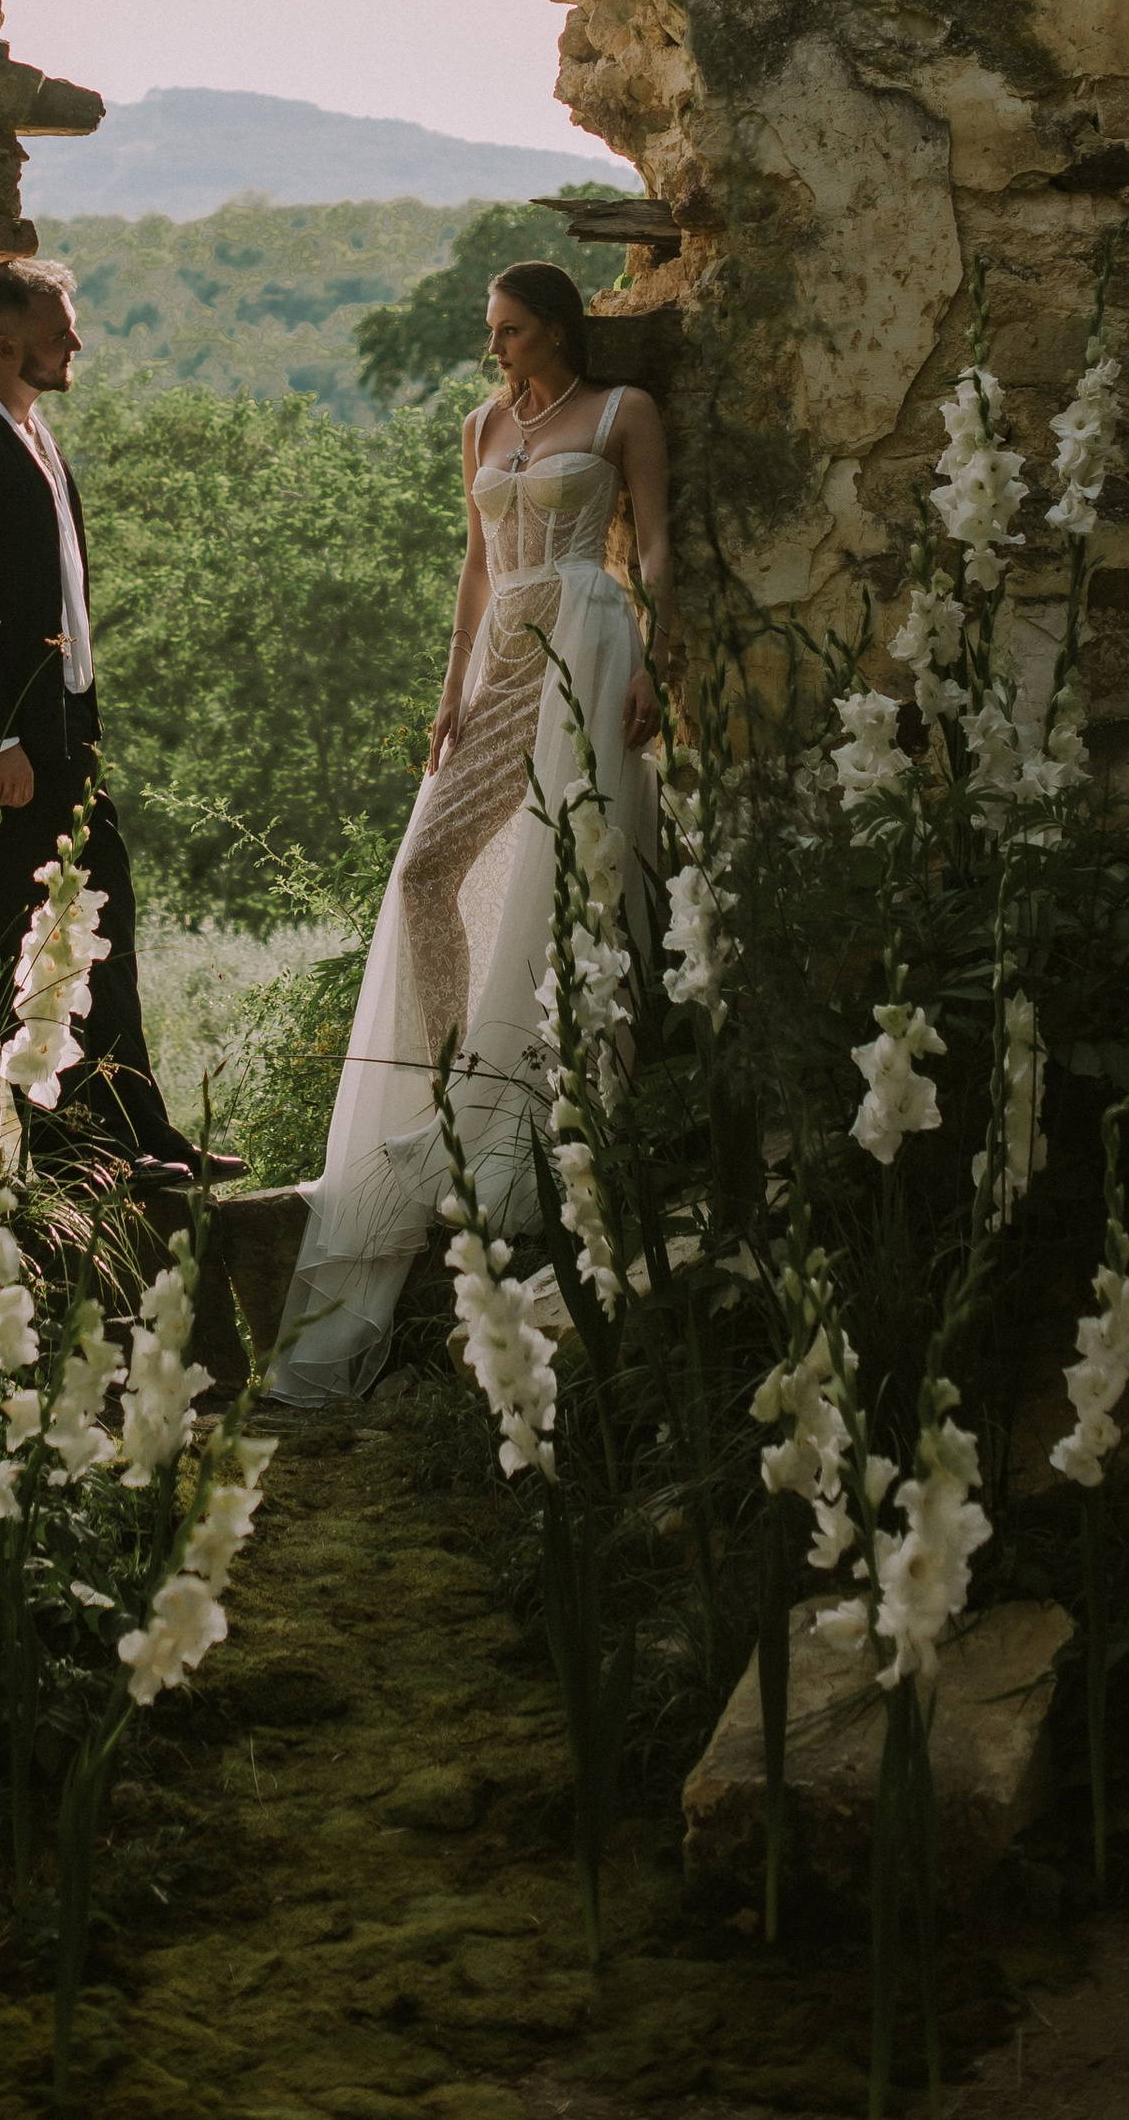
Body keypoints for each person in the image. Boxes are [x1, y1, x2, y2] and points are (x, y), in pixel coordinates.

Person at [268, 260, 669, 1403]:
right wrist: (447, 690)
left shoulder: (622, 414)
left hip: (589, 641)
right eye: (490, 330)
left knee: (569, 871)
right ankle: (454, 1079)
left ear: (553, 329)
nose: (492, 346)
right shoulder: (482, 424)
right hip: (503, 658)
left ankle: (550, 1094)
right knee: (425, 870)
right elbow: (473, 567)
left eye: (507, 330)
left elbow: (651, 549)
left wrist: (656, 658)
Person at [0, 257, 226, 1183]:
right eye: (59, 332)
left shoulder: (29, 429)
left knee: (101, 920)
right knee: (32, 946)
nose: (76, 343)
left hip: (65, 727)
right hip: (9, 741)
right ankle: (80, 1155)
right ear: (4, 344)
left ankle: (145, 1134)